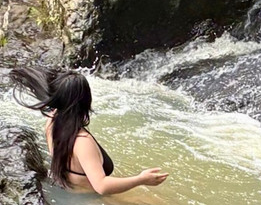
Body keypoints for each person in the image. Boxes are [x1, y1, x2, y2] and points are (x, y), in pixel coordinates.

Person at [10, 67, 169, 194]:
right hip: (93, 201)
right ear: (85, 101)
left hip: (67, 190)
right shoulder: (82, 142)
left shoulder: (52, 121)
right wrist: (141, 179)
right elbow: (101, 186)